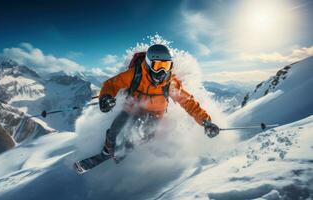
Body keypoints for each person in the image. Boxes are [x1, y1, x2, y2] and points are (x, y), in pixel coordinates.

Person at [74, 44, 220, 173]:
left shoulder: (170, 83)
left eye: (166, 66)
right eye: (158, 66)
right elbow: (111, 84)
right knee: (116, 129)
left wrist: (205, 121)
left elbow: (188, 103)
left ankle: (126, 150)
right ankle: (107, 151)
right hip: (132, 108)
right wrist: (106, 97)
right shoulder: (135, 74)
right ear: (149, 64)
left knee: (144, 135)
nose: (162, 72)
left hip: (155, 114)